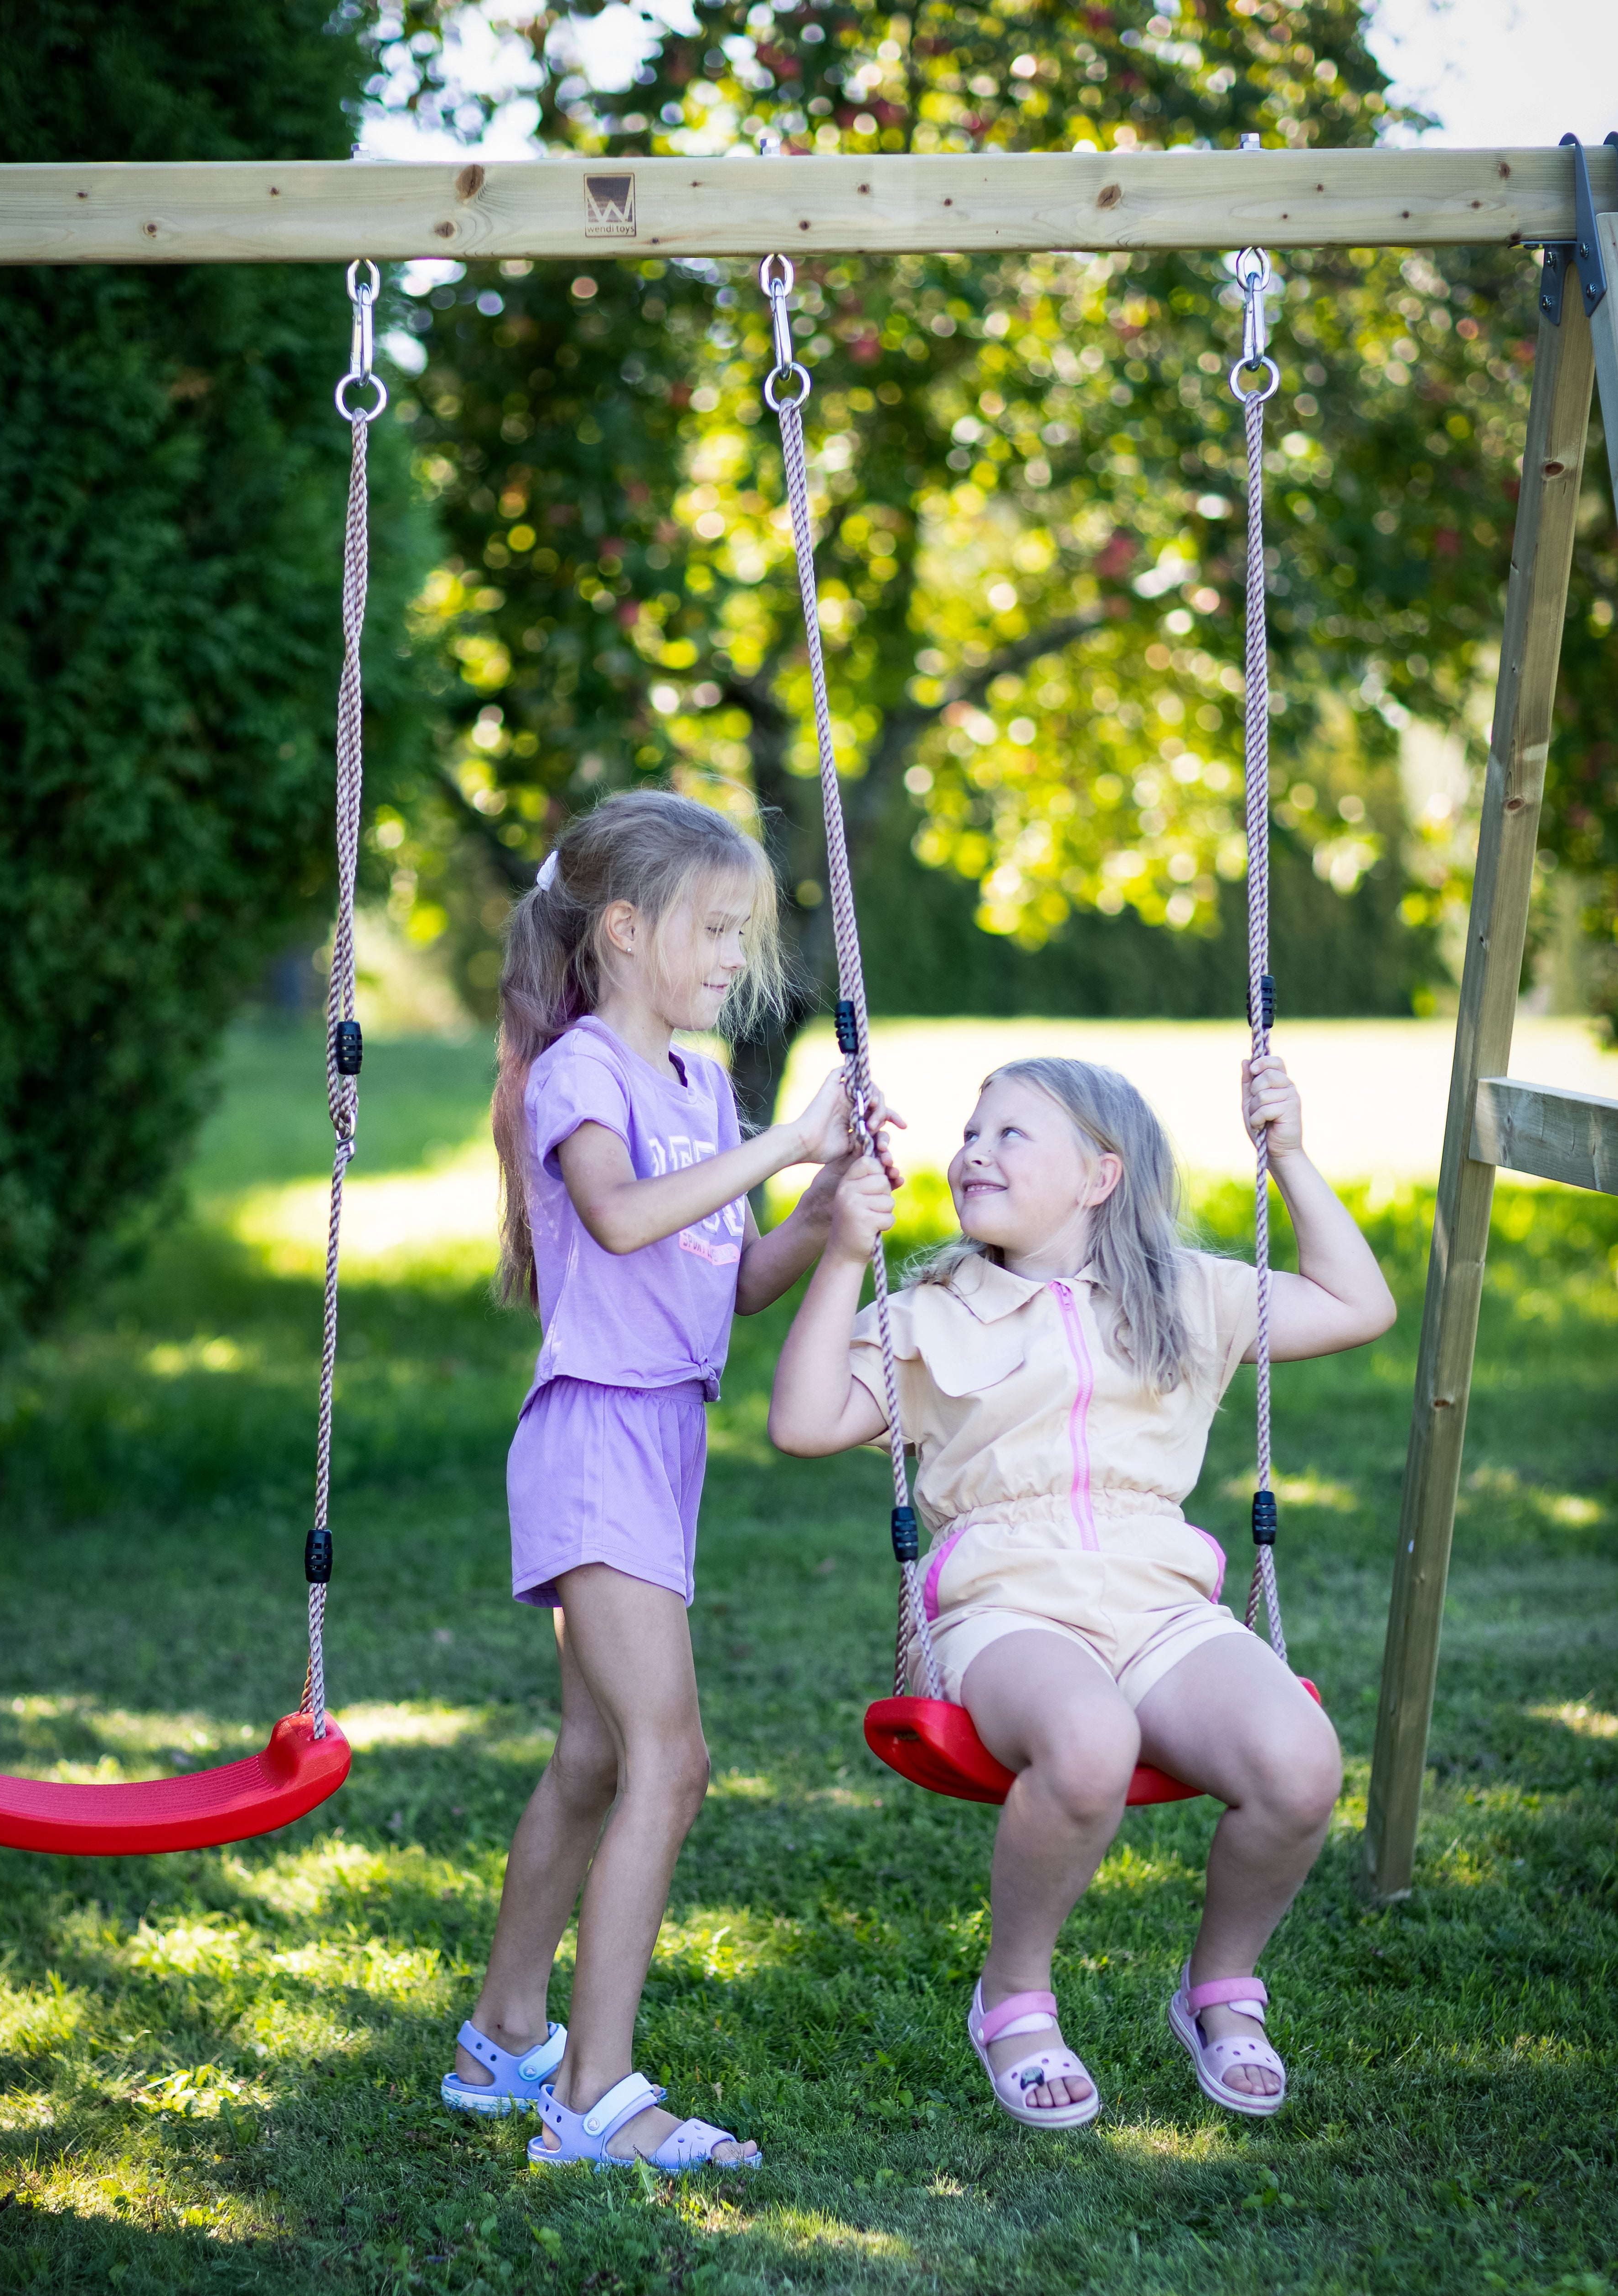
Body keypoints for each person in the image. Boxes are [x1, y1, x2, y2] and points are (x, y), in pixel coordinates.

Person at [768, 1053, 1395, 2128]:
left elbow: (1358, 1301)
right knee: (1089, 1738)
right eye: (970, 1132)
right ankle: (1013, 1994)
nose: (973, 1150)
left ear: (1099, 1175)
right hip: (1007, 1607)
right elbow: (802, 1420)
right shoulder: (931, 1311)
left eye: (1012, 1133)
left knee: (1299, 1762)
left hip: (1159, 1601)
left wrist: (1285, 1156)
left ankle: (1220, 1988)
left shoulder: (1185, 1296)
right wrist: (839, 1259)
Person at [443, 789, 898, 2169]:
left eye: (741, 935)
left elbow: (724, 1281)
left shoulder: (705, 1086)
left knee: (594, 1757)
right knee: (671, 1760)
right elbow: (625, 1217)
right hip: (593, 1435)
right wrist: (785, 1149)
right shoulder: (584, 1070)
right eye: (712, 931)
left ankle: (499, 2036)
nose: (730, 961)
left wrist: (826, 1215)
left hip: (663, 1438)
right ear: (626, 930)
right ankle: (594, 2098)